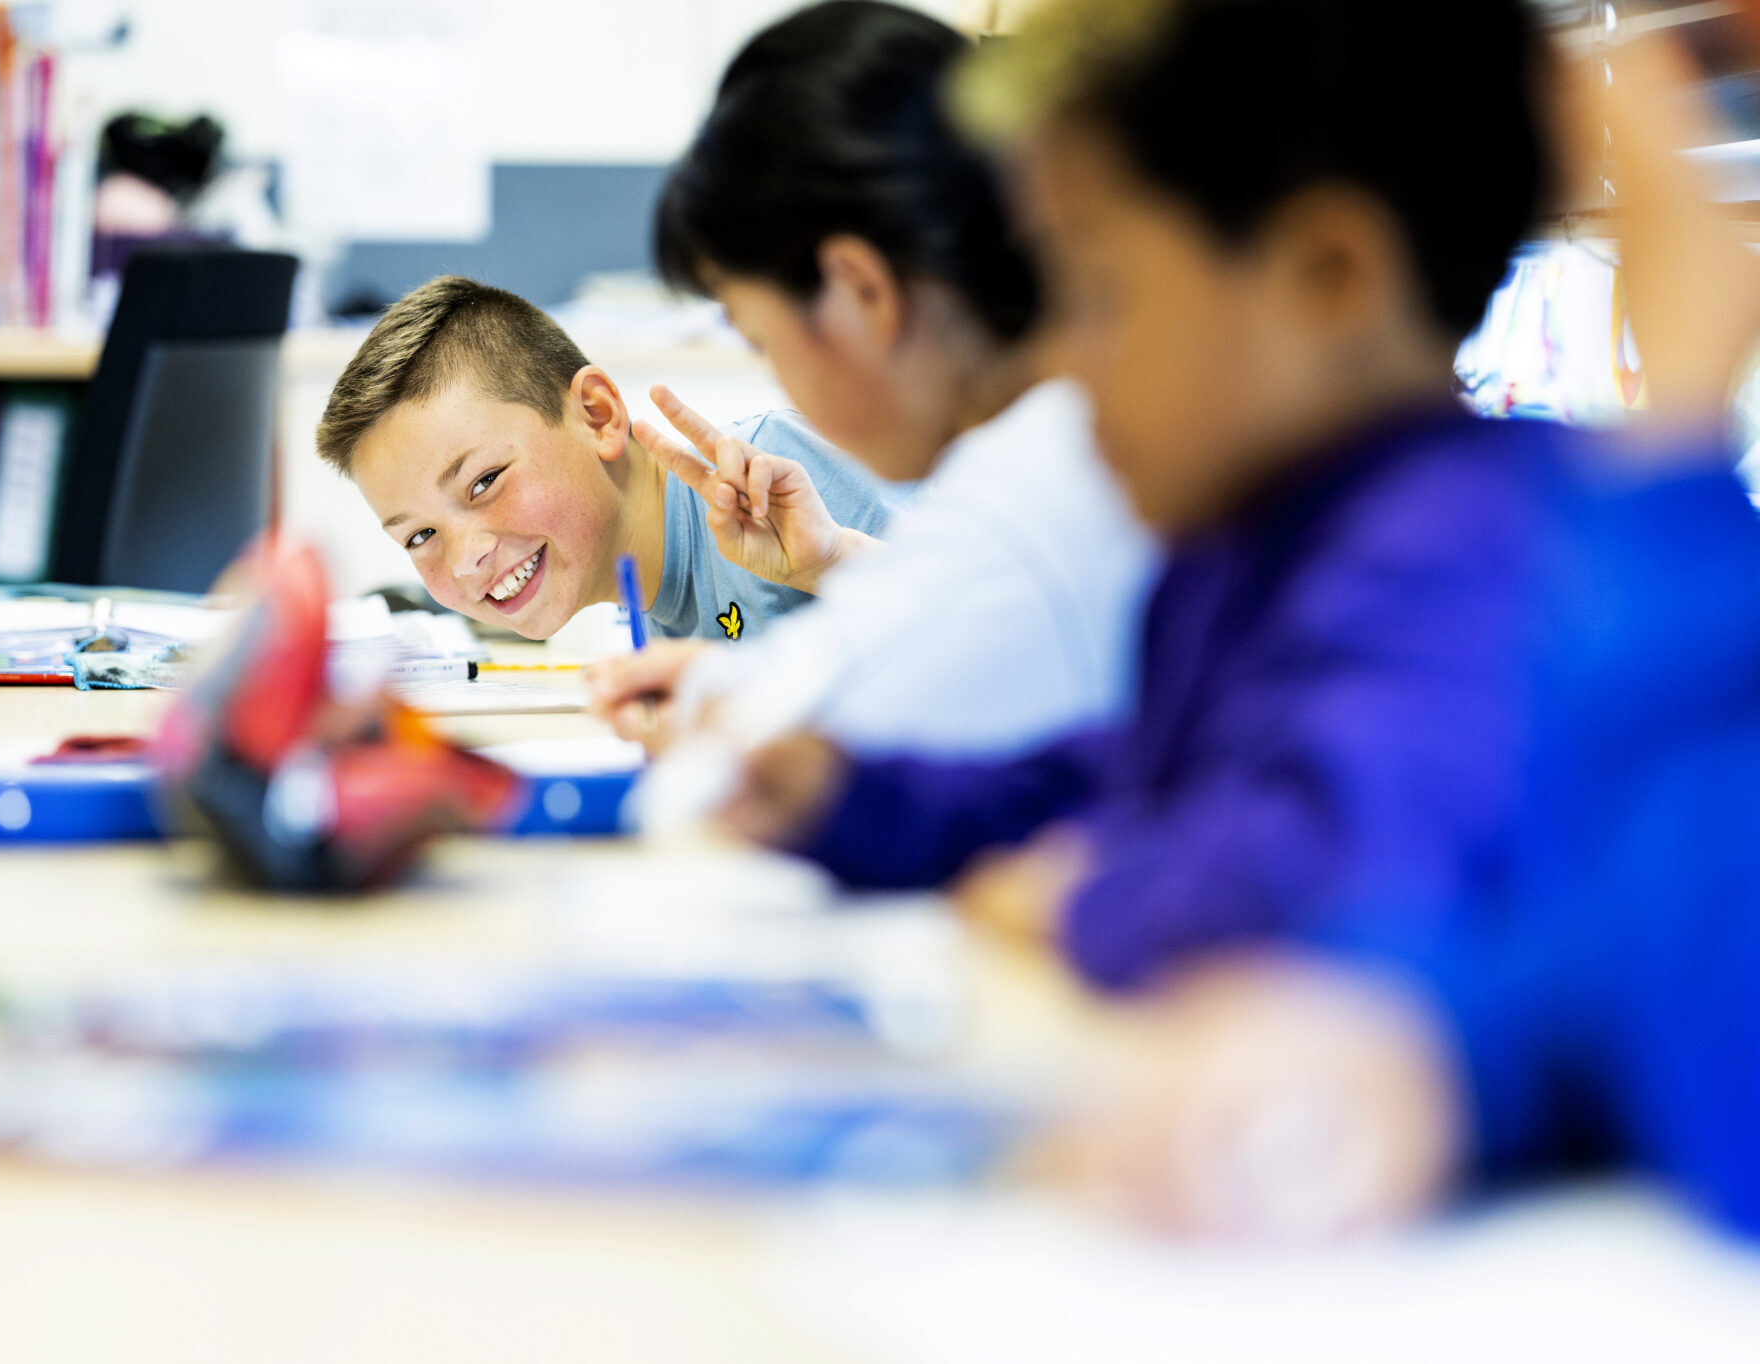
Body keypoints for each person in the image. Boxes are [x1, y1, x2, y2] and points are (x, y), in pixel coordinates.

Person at [713, 0, 1760, 1238]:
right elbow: (1115, 776)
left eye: (1100, 292)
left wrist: (1096, 897)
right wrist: (855, 801)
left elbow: (1335, 868)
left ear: (1329, 279)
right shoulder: (1251, 541)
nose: (1064, 361)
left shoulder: (1449, 540)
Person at [584, 0, 1154, 760]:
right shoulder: (1051, 452)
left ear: (861, 292)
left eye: (763, 339)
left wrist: (747, 720)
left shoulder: (1040, 510)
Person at [315, 276, 895, 642]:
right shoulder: (648, 610)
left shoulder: (775, 482)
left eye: (484, 481)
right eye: (419, 536)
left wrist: (832, 563)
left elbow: (955, 629)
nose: (466, 560)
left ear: (598, 415)